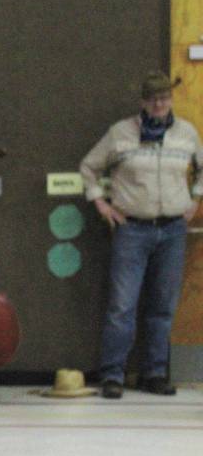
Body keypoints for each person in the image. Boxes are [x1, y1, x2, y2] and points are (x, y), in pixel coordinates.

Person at [81, 70, 202, 399]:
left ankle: (155, 373)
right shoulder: (120, 134)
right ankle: (112, 374)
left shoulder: (187, 134)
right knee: (122, 306)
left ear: (171, 100)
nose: (160, 103)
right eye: (153, 99)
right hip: (131, 229)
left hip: (173, 230)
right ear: (143, 103)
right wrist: (102, 205)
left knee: (162, 306)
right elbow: (88, 167)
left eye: (164, 98)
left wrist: (195, 199)